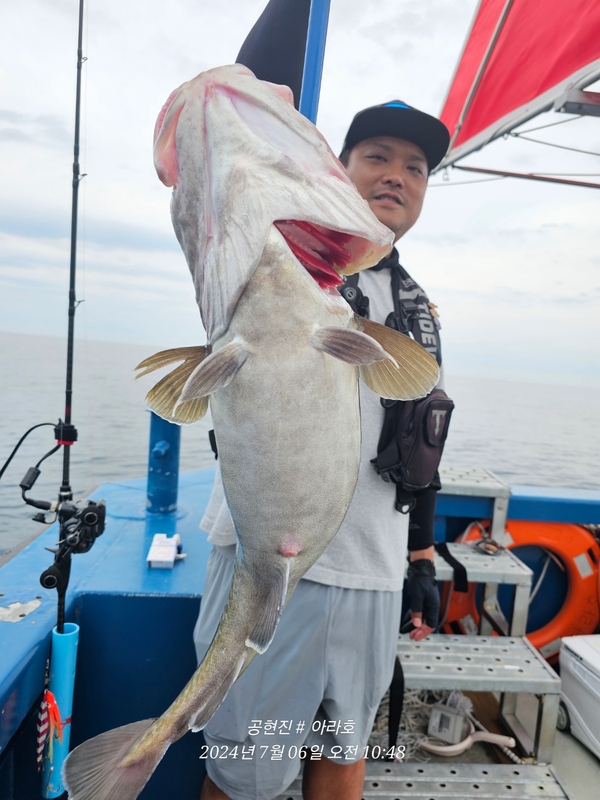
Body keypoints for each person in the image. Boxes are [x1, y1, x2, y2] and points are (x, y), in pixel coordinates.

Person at [195, 2, 450, 799]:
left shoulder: (420, 307)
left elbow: (424, 434)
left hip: (373, 573)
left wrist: (419, 559)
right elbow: (256, 95)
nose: (396, 175)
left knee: (342, 756)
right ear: (335, 169)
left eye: (415, 167)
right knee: (243, 769)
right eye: (376, 156)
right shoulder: (286, 250)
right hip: (273, 567)